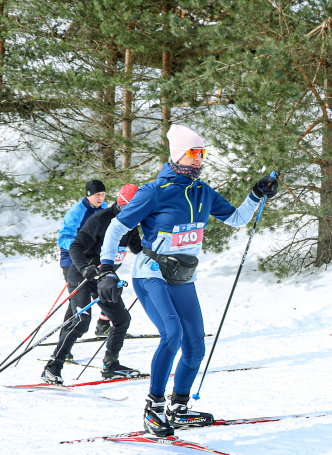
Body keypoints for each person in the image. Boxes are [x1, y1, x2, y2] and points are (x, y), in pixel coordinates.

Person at [98, 125, 278, 437]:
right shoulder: (154, 191)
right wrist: (106, 268)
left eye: (202, 153)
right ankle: (153, 408)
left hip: (183, 277)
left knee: (195, 345)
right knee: (172, 334)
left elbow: (236, 219)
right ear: (178, 155)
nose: (198, 159)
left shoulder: (202, 191)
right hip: (151, 274)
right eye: (193, 152)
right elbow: (116, 228)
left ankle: (178, 407)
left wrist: (255, 195)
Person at [42, 184, 143, 385]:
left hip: (105, 279)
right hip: (83, 275)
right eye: (131, 208)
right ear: (122, 204)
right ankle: (52, 368)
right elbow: (76, 246)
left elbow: (138, 247)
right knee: (81, 321)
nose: (134, 214)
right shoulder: (100, 219)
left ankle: (111, 365)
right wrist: (84, 268)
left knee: (121, 319)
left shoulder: (130, 223)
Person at [56, 180, 110, 339]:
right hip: (72, 260)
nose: (101, 198)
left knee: (108, 290)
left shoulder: (104, 207)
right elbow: (62, 239)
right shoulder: (76, 212)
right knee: (78, 301)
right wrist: (81, 246)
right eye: (97, 195)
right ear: (88, 195)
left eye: (103, 194)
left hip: (92, 259)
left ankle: (103, 326)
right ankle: (64, 340)